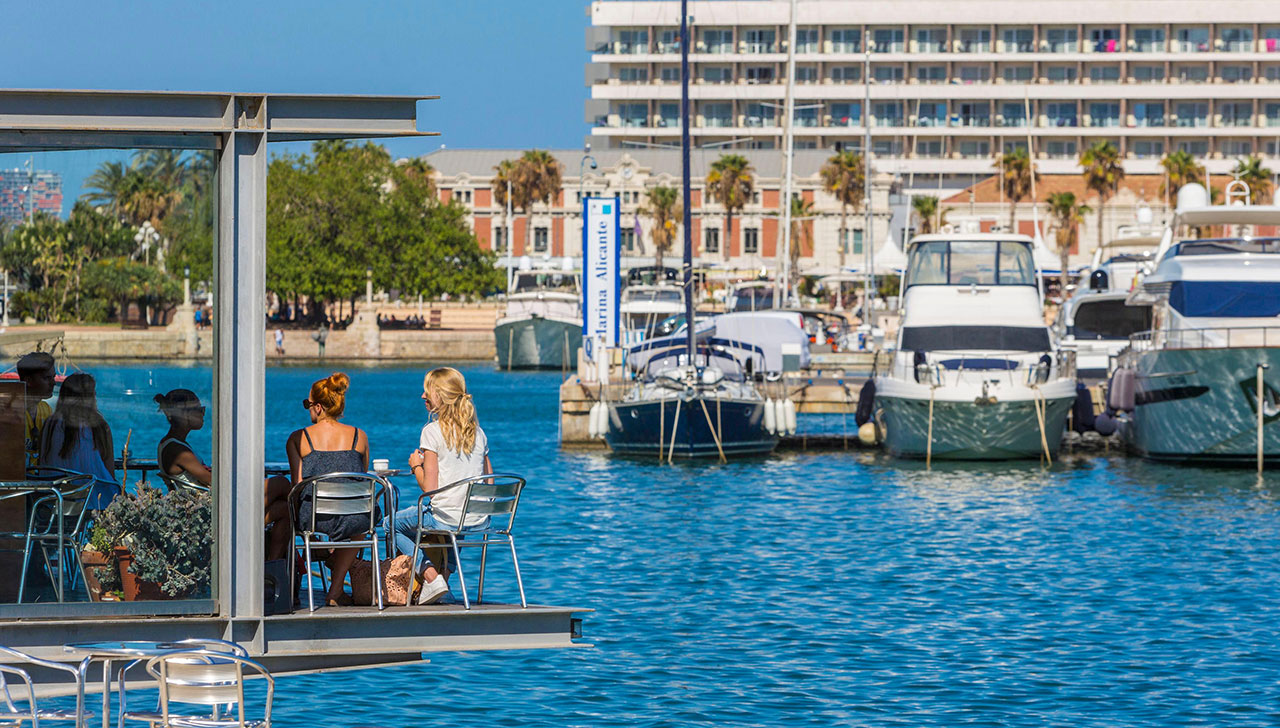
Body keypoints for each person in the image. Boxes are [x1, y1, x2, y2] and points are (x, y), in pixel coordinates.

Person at [387, 367, 491, 605]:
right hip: (477, 517)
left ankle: (432, 577)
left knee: (390, 524)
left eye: (428, 392)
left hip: (446, 517)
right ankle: (444, 581)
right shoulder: (478, 433)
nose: (422, 396)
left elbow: (429, 489)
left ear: (441, 397)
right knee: (461, 512)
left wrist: (416, 466)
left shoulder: (432, 432)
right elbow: (489, 482)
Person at [154, 389, 293, 560]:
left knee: (285, 510)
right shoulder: (176, 449)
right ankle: (313, 542)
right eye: (200, 409)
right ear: (184, 415)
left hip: (213, 505)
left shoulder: (175, 445)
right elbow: (213, 481)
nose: (203, 413)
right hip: (211, 512)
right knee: (280, 483)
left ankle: (271, 573)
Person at [285, 373, 371, 607]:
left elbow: (297, 483)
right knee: (361, 522)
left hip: (315, 519)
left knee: (291, 515)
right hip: (355, 517)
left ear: (319, 407)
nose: (308, 410)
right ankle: (335, 590)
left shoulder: (298, 438)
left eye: (308, 405)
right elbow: (359, 479)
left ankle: (310, 567)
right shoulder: (359, 436)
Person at [37, 373, 119, 510]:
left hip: (52, 502)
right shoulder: (98, 426)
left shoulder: (49, 424)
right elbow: (109, 473)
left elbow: (42, 463)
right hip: (92, 502)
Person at [16, 352, 56, 465]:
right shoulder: (10, 412)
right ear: (28, 381)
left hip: (39, 478)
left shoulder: (46, 410)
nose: (53, 383)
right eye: (47, 378)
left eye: (54, 377)